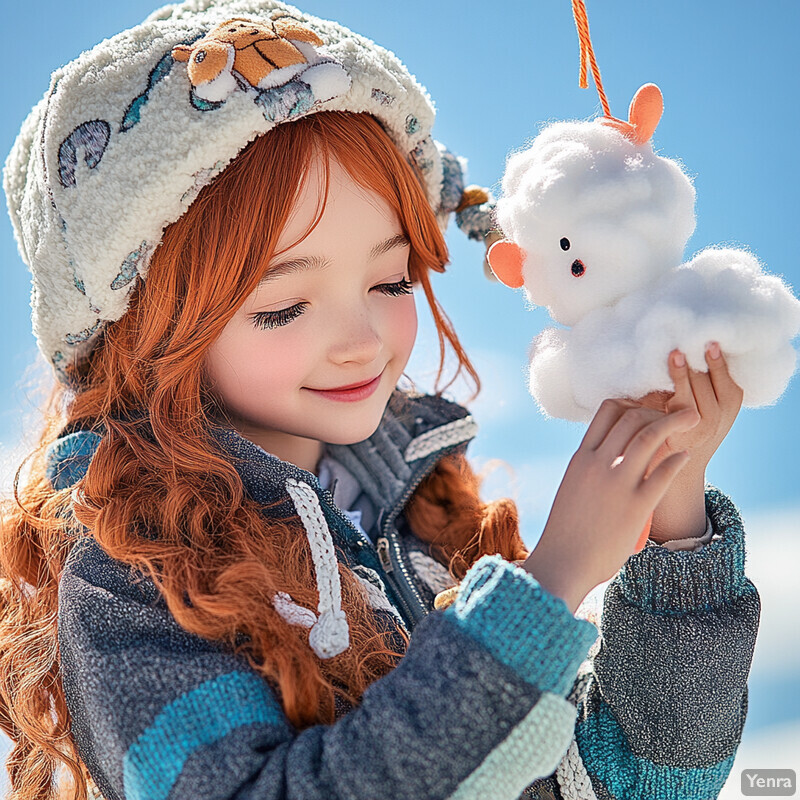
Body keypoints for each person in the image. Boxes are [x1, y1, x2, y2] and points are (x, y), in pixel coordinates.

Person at [0, 2, 760, 799]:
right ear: (148, 325)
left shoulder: (426, 525)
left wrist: (674, 511)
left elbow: (643, 785)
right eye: (284, 306)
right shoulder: (135, 575)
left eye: (390, 280)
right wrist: (550, 583)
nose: (360, 339)